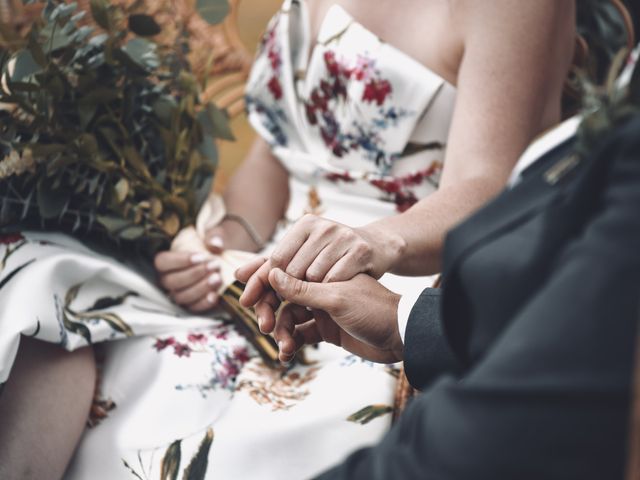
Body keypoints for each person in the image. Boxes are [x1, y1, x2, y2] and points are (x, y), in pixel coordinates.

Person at [0, 1, 575, 479]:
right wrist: (216, 247)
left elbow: (491, 184)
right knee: (38, 283)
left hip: (388, 280)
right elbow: (275, 157)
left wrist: (373, 242)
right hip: (269, 261)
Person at [244, 45, 640, 479]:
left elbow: (525, 414)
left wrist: (379, 241)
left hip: (426, 264)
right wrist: (404, 321)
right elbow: (273, 151)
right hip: (346, 288)